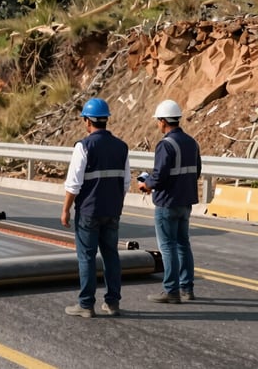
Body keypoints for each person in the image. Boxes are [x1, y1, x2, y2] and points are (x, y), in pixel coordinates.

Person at [61, 98, 130, 318]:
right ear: (106, 120)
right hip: (112, 211)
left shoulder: (83, 146)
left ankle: (86, 304)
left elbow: (74, 183)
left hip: (89, 211)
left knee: (87, 257)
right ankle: (112, 303)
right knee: (111, 256)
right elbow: (126, 182)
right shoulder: (121, 147)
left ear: (87, 121)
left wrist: (65, 209)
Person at [139, 99, 201, 304]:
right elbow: (196, 171)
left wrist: (146, 184)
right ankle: (187, 288)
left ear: (164, 121)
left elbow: (159, 175)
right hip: (186, 202)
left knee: (167, 247)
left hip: (167, 203)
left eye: (158, 120)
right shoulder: (192, 142)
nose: (158, 124)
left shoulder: (165, 145)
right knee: (183, 244)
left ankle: (171, 290)